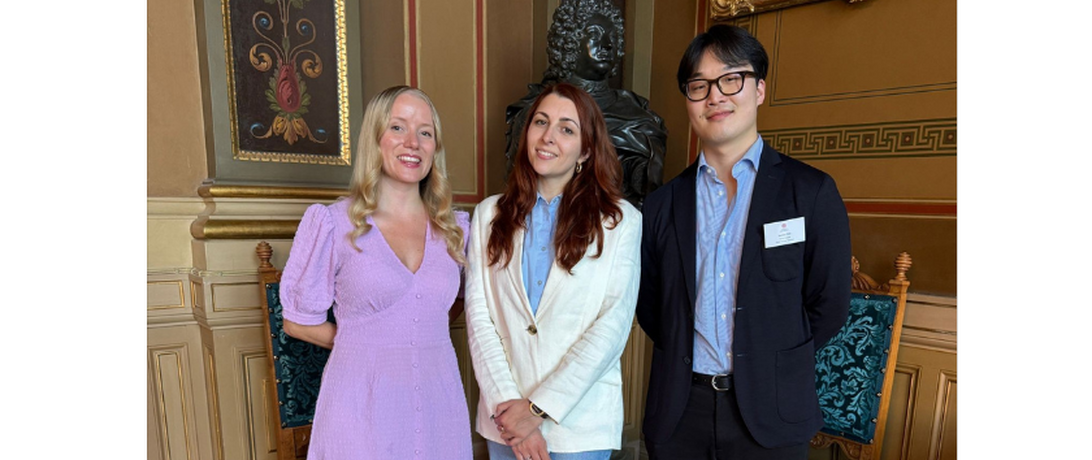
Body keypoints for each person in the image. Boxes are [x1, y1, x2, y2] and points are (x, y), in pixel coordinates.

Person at [636, 25, 851, 459]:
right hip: (679, 413)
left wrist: (771, 357)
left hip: (772, 413)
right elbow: (652, 308)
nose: (715, 96)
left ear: (759, 89)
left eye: (731, 79)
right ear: (688, 100)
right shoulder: (661, 205)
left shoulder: (810, 191)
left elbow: (828, 303)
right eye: (699, 85)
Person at [279, 86, 472, 460]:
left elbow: (457, 301)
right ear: (375, 138)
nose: (413, 142)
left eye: (425, 132)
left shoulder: (455, 230)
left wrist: (416, 336)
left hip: (439, 401)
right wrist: (369, 343)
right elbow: (297, 322)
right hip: (360, 401)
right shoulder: (335, 223)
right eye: (398, 127)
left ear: (435, 147)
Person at [466, 82, 641, 460]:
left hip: (579, 426)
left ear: (586, 149)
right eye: (540, 122)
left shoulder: (620, 222)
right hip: (504, 422)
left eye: (567, 129)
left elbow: (611, 326)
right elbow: (480, 319)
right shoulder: (488, 215)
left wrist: (537, 410)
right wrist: (511, 411)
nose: (548, 136)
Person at [504, 0, 667, 209]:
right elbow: (517, 193)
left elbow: (648, 206)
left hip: (616, 225)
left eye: (612, 37)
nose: (607, 45)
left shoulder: (643, 121)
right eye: (594, 35)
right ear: (570, 42)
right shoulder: (531, 115)